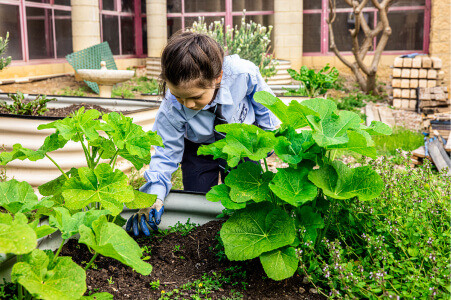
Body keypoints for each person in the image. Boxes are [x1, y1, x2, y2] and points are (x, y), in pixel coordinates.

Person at [126, 31, 279, 236]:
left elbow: (265, 103)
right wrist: (153, 197)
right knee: (197, 203)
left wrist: (268, 136)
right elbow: (166, 153)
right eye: (179, 96)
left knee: (248, 198)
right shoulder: (171, 107)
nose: (188, 105)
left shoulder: (243, 74)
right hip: (198, 148)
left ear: (218, 77)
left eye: (196, 97)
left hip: (243, 143)